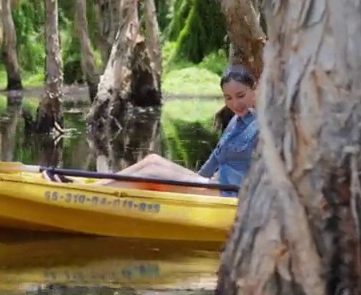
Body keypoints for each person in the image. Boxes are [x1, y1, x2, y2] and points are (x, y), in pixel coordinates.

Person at [106, 64, 259, 197]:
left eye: (241, 96)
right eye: (228, 98)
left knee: (151, 172)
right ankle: (96, 188)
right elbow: (215, 159)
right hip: (214, 185)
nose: (235, 103)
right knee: (152, 160)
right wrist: (192, 182)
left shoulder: (264, 126)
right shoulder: (235, 122)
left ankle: (92, 195)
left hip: (230, 193)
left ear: (255, 89)